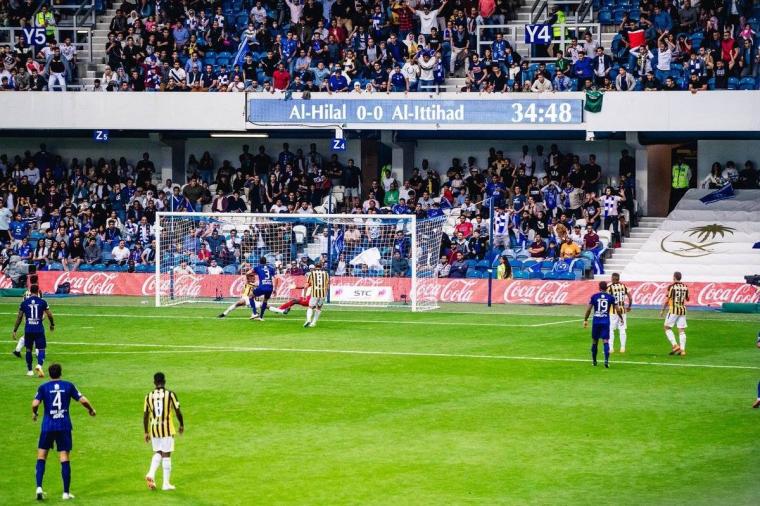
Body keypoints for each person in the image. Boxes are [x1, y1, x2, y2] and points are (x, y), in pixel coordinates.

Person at [32, 363, 96, 501]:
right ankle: (66, 493)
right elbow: (82, 400)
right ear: (61, 373)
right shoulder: (68, 385)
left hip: (48, 426)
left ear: (49, 374)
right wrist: (91, 409)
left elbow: (35, 404)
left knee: (42, 456)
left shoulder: (43, 387)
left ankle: (39, 487)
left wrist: (35, 414)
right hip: (64, 425)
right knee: (64, 457)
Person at [143, 372, 184, 491]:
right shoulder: (170, 394)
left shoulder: (148, 396)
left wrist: (146, 432)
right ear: (164, 381)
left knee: (158, 452)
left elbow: (145, 415)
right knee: (166, 454)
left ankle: (151, 473)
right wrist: (181, 424)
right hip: (166, 428)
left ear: (154, 383)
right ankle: (165, 484)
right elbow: (177, 411)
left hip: (154, 428)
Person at [13, 284, 54, 377]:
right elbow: (50, 315)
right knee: (41, 349)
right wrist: (52, 324)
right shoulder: (43, 302)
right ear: (38, 291)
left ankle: (30, 371)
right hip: (39, 329)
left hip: (28, 329)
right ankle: (39, 365)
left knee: (28, 350)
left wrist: (15, 330)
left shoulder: (24, 303)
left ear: (30, 291)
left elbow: (19, 317)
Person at [583, 281, 617, 368]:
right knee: (605, 341)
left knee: (595, 341)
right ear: (607, 288)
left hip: (596, 321)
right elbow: (618, 309)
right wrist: (620, 317)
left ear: (599, 287)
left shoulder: (594, 296)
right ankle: (606, 361)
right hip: (605, 321)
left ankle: (594, 361)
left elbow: (588, 310)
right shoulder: (611, 297)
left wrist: (585, 319)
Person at [660, 271, 689, 356]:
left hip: (673, 310)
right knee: (681, 330)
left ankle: (675, 345)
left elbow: (667, 300)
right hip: (682, 310)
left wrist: (662, 310)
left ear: (674, 277)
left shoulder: (671, 287)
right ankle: (683, 350)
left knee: (666, 328)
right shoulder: (685, 287)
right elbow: (688, 299)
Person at [607, 273, 632, 353]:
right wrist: (629, 306)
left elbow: (607, 299)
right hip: (622, 310)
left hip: (613, 311)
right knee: (622, 329)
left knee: (610, 329)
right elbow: (630, 297)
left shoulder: (610, 287)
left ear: (613, 279)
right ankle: (622, 348)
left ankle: (611, 348)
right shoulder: (623, 286)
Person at [304, 261, 329, 328]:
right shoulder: (326, 274)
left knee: (310, 307)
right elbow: (327, 285)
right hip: (323, 293)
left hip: (315, 293)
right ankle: (313, 323)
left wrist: (304, 295)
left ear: (315, 267)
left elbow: (306, 285)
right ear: (322, 267)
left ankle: (308, 320)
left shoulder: (311, 274)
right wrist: (326, 294)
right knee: (319, 308)